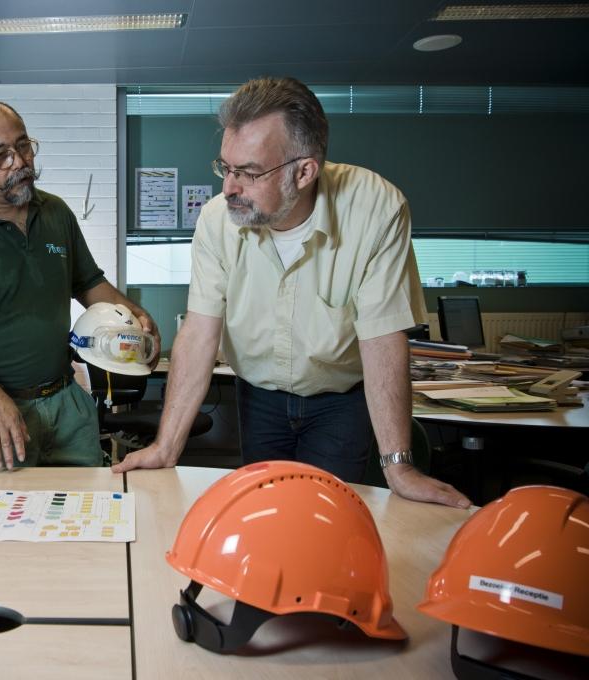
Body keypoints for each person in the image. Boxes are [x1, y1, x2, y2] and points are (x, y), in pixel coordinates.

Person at [113, 77, 470, 509]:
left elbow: (381, 339)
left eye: (247, 172)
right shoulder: (216, 221)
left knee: (324, 516)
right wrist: (167, 447)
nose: (228, 187)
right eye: (225, 168)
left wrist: (399, 466)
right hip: (259, 394)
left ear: (303, 171)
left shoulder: (376, 208)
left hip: (341, 398)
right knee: (268, 514)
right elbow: (200, 331)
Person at [0, 99, 158, 471]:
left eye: (23, 146)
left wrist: (136, 318)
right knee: (2, 523)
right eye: (1, 155)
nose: (20, 162)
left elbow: (89, 284)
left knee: (84, 516)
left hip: (67, 402)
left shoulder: (55, 212)